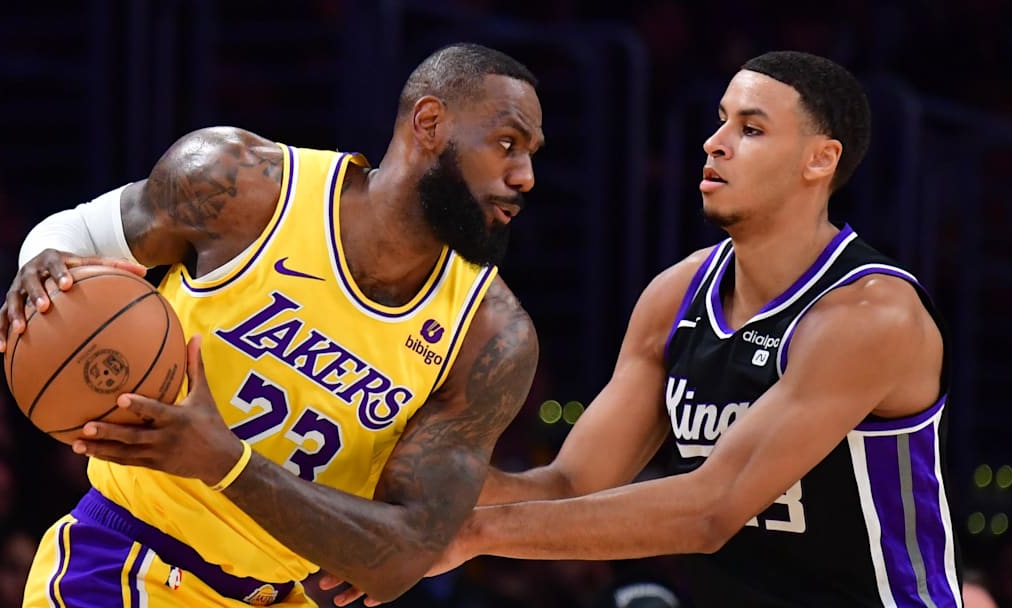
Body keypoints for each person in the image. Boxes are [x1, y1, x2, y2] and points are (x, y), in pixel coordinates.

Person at [348, 50, 959, 607]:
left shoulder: (871, 315)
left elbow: (710, 510)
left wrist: (471, 534)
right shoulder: (677, 295)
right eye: (720, 121)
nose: (714, 144)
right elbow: (569, 486)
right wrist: (392, 479)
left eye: (750, 129)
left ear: (819, 160)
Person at [0, 42, 543, 607]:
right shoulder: (243, 183)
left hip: (277, 595)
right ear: (429, 123)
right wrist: (43, 264)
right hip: (125, 562)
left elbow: (404, 555)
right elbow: (78, 234)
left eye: (531, 155)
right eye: (507, 144)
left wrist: (225, 464)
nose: (524, 176)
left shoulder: (491, 337)